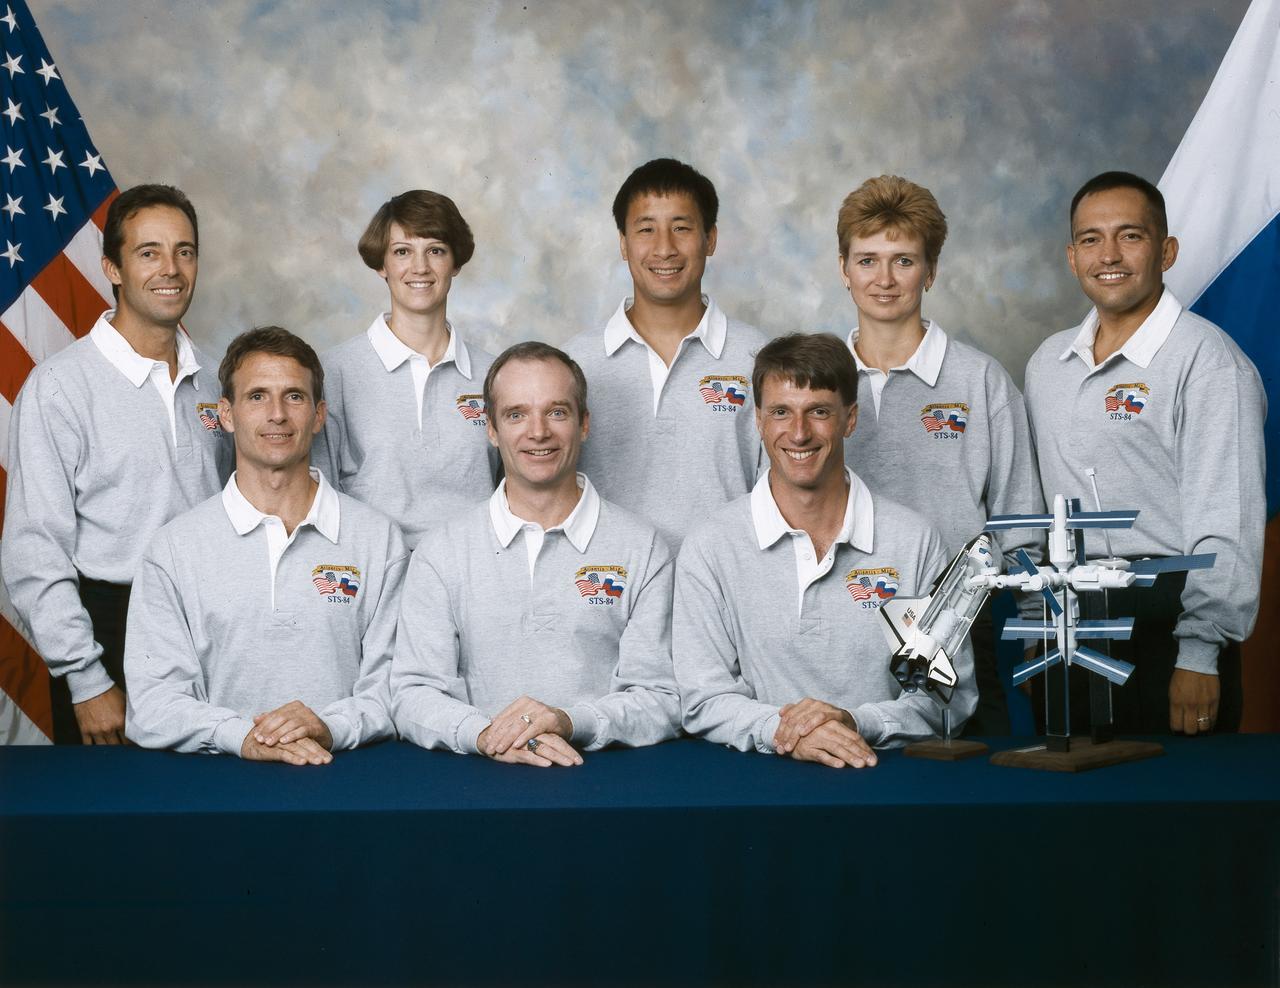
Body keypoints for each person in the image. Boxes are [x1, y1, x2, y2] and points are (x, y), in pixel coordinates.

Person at [1023, 171, 1265, 736]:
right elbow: (1036, 508)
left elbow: (1227, 523)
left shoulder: (1208, 364)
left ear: (1167, 251)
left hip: (1172, 624)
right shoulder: (1045, 366)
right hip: (1072, 624)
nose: (1109, 254)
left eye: (1130, 236)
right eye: (1090, 239)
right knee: (1070, 818)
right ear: (1071, 255)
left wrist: (1200, 653)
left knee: (1176, 817)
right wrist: (1039, 634)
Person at [674, 333, 975, 766]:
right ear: (758, 420)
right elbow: (703, 697)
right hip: (756, 777)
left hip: (885, 774)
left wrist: (854, 722)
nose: (799, 433)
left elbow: (948, 695)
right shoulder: (711, 545)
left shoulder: (914, 541)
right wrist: (785, 732)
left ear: (849, 419)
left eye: (818, 412)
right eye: (781, 412)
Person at [1, 184, 231, 745]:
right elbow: (34, 547)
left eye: (185, 250)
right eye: (149, 252)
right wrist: (84, 678)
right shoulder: (61, 387)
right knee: (119, 824)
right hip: (111, 631)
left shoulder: (216, 381)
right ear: (113, 267)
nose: (171, 269)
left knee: (216, 816)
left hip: (211, 625)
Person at [125, 327, 406, 763]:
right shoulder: (174, 548)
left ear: (318, 415)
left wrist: (328, 725)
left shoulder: (378, 540)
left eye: (294, 396)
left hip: (346, 778)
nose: (277, 414)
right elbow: (151, 705)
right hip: (218, 784)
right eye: (257, 396)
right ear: (227, 414)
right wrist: (241, 736)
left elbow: (396, 686)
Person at [391, 342, 679, 765]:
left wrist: (568, 721)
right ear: (491, 429)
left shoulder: (643, 548)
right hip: (476, 783)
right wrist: (487, 735)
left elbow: (661, 699)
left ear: (584, 424)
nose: (538, 431)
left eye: (557, 412)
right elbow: (412, 693)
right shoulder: (442, 552)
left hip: (606, 783)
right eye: (516, 414)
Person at [836, 175, 1042, 735]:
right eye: (867, 260)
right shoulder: (816, 381)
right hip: (839, 616)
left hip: (958, 623)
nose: (884, 279)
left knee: (965, 799)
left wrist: (1032, 632)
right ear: (843, 269)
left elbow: (1020, 521)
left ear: (931, 270)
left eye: (903, 261)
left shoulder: (980, 380)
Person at [565, 158, 766, 550]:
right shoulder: (575, 362)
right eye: (645, 230)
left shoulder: (759, 358)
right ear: (623, 243)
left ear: (710, 239)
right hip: (606, 593)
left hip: (723, 590)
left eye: (681, 228)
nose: (664, 248)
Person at [313, 190, 499, 547]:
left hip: (474, 566)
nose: (420, 268)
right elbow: (318, 492)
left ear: (455, 262)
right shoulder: (332, 371)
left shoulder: (494, 373)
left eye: (436, 250)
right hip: (373, 570)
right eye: (402, 252)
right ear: (381, 264)